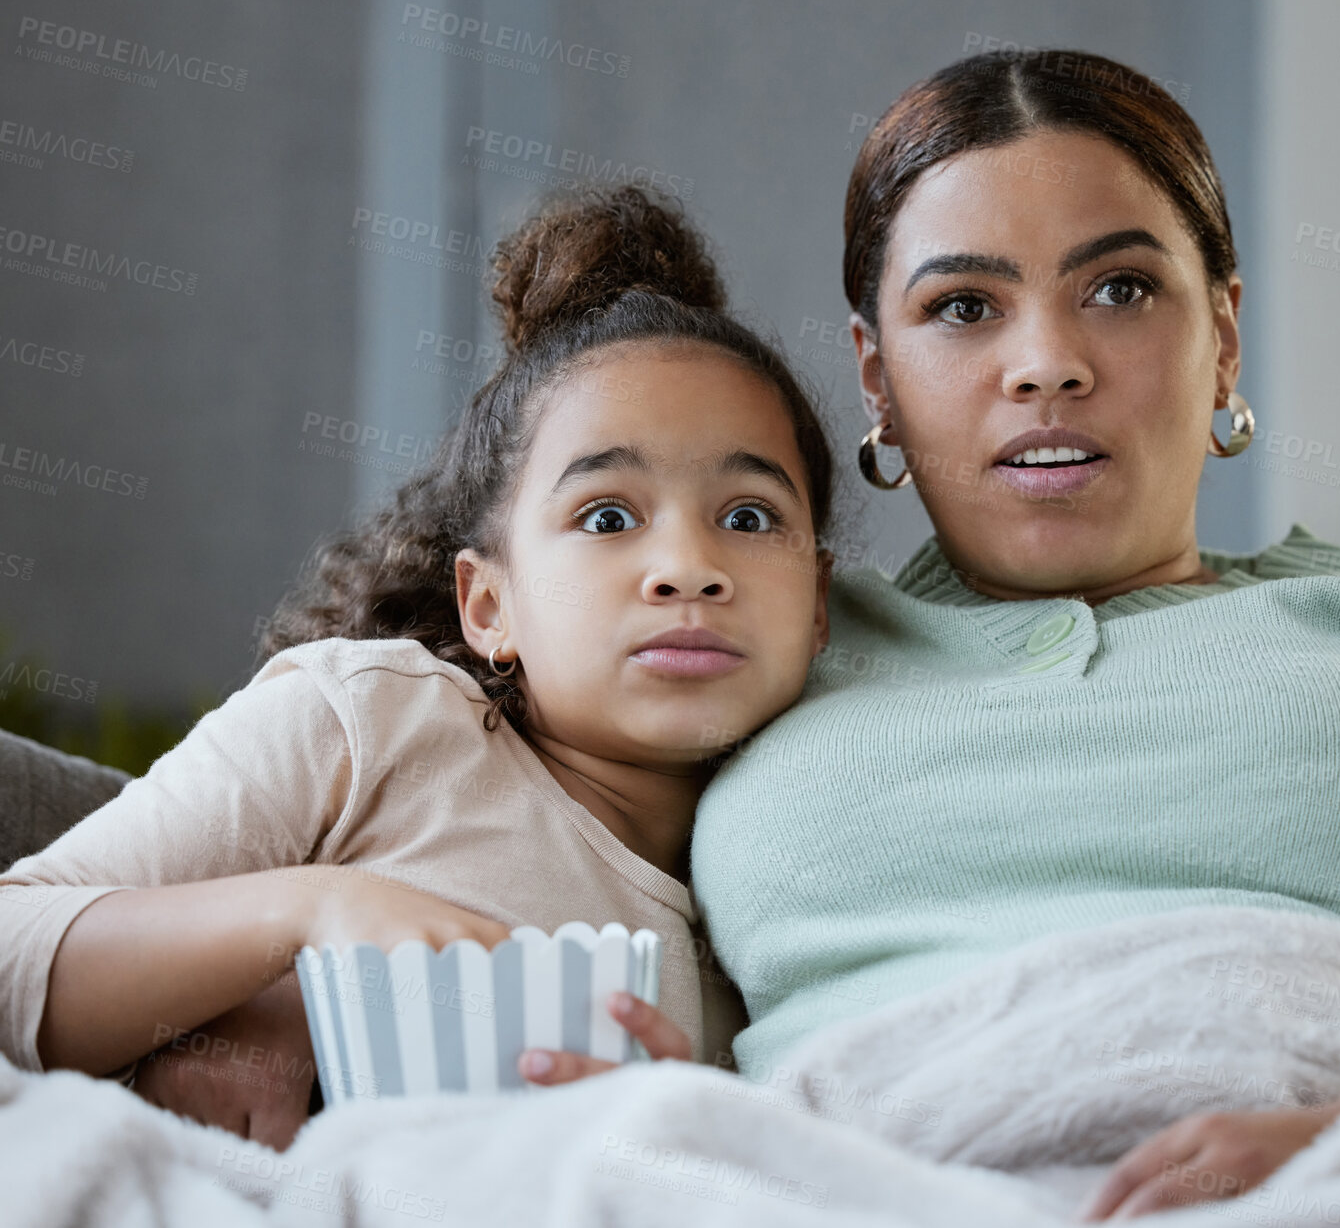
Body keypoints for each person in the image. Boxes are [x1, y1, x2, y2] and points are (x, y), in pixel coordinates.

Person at [687, 48, 1340, 1218]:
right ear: (876, 377)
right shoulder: (735, 640)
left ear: (1222, 337)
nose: (1046, 366)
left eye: (1119, 288)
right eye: (962, 308)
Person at [0, 185, 836, 1149]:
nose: (690, 568)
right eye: (607, 516)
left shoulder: (800, 895)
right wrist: (308, 919)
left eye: (749, 517)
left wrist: (678, 1127)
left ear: (817, 607)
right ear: (490, 605)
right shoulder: (370, 725)